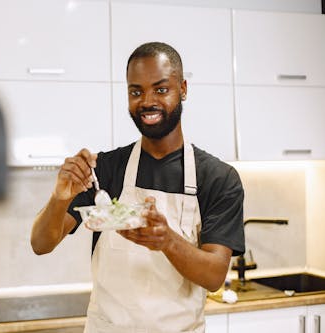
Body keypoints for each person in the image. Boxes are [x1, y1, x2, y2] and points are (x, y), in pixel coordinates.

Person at [30, 41, 245, 333]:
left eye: (160, 89)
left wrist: (167, 240)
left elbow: (214, 276)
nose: (146, 101)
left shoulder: (218, 178)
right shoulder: (104, 170)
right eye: (136, 91)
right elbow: (41, 244)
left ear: (182, 89)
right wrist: (59, 197)